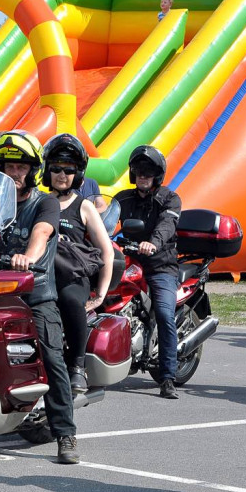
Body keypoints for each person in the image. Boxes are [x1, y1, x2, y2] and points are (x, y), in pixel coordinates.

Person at [0, 129, 79, 464]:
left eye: (21, 167)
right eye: (8, 166)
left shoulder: (46, 202)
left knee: (52, 355)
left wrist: (28, 255)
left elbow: (42, 233)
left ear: (32, 170)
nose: (14, 173)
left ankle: (66, 433)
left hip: (34, 292)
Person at [42, 134, 115, 394]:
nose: (62, 174)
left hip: (71, 278)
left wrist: (101, 295)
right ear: (46, 169)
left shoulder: (84, 206)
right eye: (56, 168)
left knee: (72, 301)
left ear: (78, 173)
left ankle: (77, 365)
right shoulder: (37, 202)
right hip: (39, 276)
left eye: (69, 169)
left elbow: (106, 251)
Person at [116, 145, 182, 399]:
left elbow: (167, 224)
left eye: (149, 171)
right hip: (129, 261)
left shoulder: (169, 199)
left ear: (158, 175)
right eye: (139, 170)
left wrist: (153, 242)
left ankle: (167, 377)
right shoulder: (123, 198)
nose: (143, 175)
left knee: (165, 314)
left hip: (160, 265)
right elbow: (106, 220)